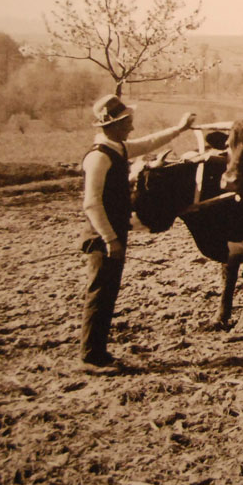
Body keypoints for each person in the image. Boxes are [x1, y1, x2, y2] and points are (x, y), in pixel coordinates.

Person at [79, 93, 195, 374]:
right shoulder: (98, 158)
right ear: (113, 125)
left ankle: (99, 353)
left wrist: (178, 129)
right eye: (127, 122)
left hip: (113, 233)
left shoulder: (116, 149)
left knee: (108, 293)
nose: (131, 127)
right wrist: (110, 239)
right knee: (99, 293)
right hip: (102, 236)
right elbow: (91, 203)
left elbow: (147, 143)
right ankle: (91, 358)